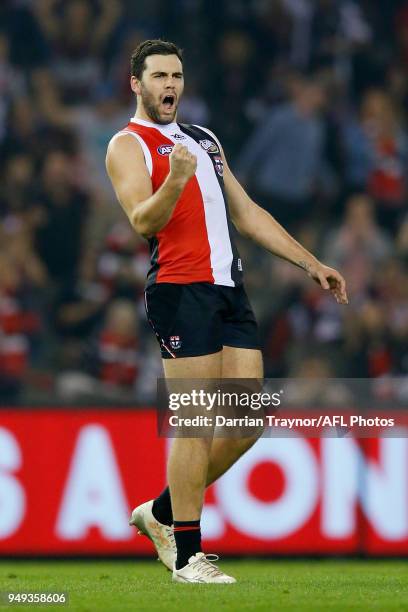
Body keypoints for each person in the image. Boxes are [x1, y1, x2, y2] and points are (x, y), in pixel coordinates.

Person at [106, 39, 348, 584]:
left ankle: (161, 513)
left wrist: (310, 262)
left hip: (229, 290)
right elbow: (142, 221)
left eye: (177, 75)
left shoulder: (203, 140)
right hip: (179, 288)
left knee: (246, 422)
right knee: (195, 425)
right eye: (159, 76)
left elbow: (246, 212)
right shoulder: (127, 144)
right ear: (136, 84)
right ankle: (189, 556)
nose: (170, 85)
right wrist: (174, 179)